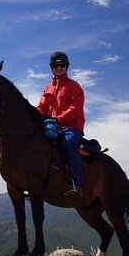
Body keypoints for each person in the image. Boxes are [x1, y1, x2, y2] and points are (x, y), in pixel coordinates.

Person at [37, 51, 85, 197]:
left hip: (71, 127)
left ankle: (76, 183)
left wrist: (58, 119)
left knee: (68, 142)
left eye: (61, 65)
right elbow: (41, 107)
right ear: (52, 68)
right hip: (52, 127)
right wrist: (36, 118)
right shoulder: (48, 88)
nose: (59, 68)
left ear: (67, 67)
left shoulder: (74, 87)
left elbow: (76, 109)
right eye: (56, 66)